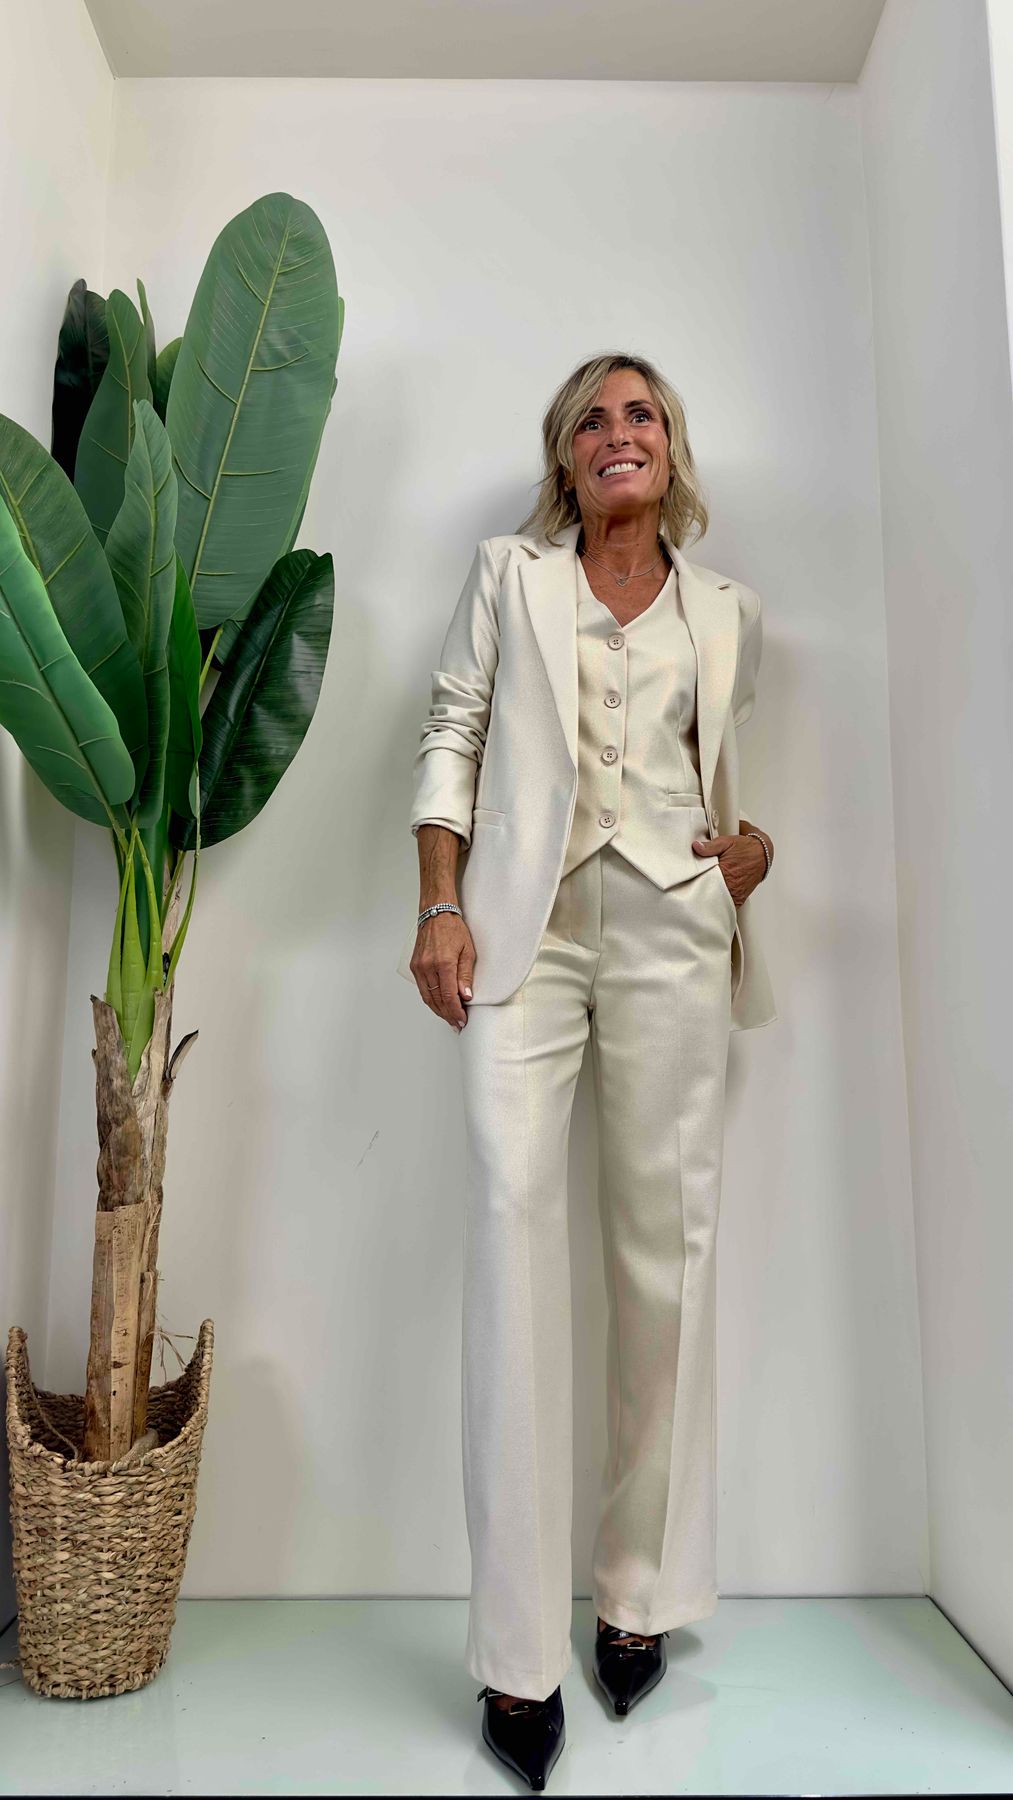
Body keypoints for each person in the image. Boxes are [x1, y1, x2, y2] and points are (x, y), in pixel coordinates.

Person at [395, 352, 777, 1790]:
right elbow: (452, 731)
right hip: (524, 934)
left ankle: (637, 1593)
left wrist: (747, 856)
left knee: (663, 1249)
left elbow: (723, 786)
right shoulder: (513, 579)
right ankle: (514, 1654)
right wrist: (440, 903)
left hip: (676, 925)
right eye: (594, 420)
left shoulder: (726, 611)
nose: (621, 434)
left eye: (643, 415)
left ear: (671, 451)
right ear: (565, 459)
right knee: (510, 1231)